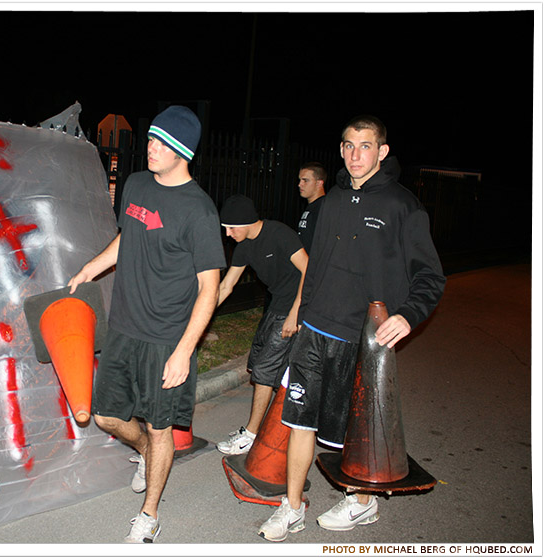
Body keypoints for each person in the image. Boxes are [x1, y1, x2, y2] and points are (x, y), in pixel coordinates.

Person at [258, 115, 446, 542]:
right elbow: (317, 265)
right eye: (347, 145)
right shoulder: (333, 201)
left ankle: (362, 502)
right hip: (316, 329)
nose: (354, 154)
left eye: (365, 146)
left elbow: (430, 276)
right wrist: (301, 314)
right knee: (299, 421)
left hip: (362, 338)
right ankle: (291, 507)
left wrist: (408, 315)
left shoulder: (403, 206)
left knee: (356, 429)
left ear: (382, 152)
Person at [67, 105, 226, 543]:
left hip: (165, 339)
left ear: (182, 151)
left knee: (161, 429)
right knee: (104, 417)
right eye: (151, 139)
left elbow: (208, 289)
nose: (150, 148)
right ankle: (144, 453)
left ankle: (149, 514)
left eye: (160, 143)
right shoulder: (136, 185)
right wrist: (90, 269)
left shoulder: (200, 211)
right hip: (124, 328)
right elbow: (125, 239)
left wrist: (183, 351)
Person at [214, 195, 308, 455]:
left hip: (296, 306)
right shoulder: (244, 246)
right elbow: (226, 285)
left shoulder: (279, 234)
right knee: (258, 362)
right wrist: (201, 316)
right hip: (277, 305)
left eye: (231, 228)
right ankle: (278, 425)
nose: (228, 234)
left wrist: (295, 314)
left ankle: (252, 435)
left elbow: (308, 269)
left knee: (265, 370)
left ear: (245, 223)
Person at [296, 162, 327, 253]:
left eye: (305, 180)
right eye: (300, 180)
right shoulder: (312, 207)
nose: (300, 184)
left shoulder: (323, 208)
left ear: (319, 183)